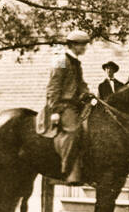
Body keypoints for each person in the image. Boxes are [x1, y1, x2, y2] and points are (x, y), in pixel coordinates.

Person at [39, 30, 92, 184]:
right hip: (63, 105)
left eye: (85, 45)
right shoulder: (61, 60)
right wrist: (55, 110)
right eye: (82, 45)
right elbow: (53, 87)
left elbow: (80, 84)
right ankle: (67, 170)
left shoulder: (76, 62)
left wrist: (88, 93)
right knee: (73, 131)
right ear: (73, 45)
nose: (85, 48)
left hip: (76, 104)